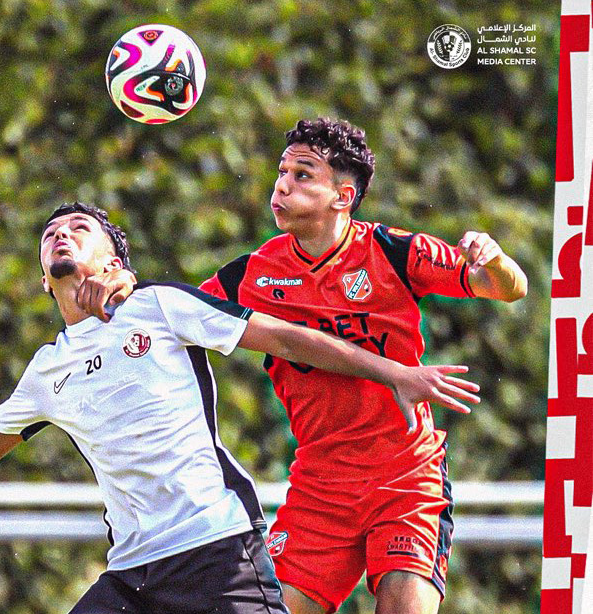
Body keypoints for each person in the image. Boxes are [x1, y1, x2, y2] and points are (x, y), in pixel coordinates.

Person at [0, 202, 480, 614]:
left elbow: (284, 337)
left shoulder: (159, 304)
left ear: (113, 260)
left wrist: (394, 371)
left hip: (216, 553)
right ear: (39, 274)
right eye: (52, 231)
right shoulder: (48, 368)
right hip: (134, 573)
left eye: (79, 228)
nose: (62, 234)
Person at [76, 118, 528, 614]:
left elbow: (507, 287)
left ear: (343, 196)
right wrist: (123, 287)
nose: (283, 184)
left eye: (303, 174)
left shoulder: (393, 251)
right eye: (282, 171)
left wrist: (497, 259)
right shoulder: (252, 274)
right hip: (319, 489)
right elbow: (168, 318)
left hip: (405, 477)